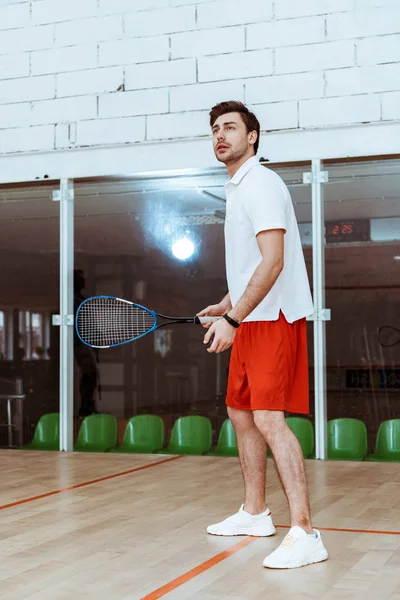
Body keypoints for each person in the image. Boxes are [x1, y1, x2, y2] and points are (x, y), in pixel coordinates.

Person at [197, 101, 328, 569]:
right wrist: (228, 303)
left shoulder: (263, 184)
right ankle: (255, 513)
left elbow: (275, 261)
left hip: (273, 319)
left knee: (270, 419)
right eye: (215, 129)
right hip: (250, 315)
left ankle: (306, 532)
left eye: (230, 127)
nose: (220, 135)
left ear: (253, 136)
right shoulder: (238, 188)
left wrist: (232, 321)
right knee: (240, 412)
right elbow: (254, 267)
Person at [74, 269, 99, 417]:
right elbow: (83, 322)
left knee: (90, 373)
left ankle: (87, 405)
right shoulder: (73, 299)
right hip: (80, 342)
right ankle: (86, 406)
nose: (84, 282)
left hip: (83, 341)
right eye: (80, 279)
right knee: (90, 373)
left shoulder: (78, 299)